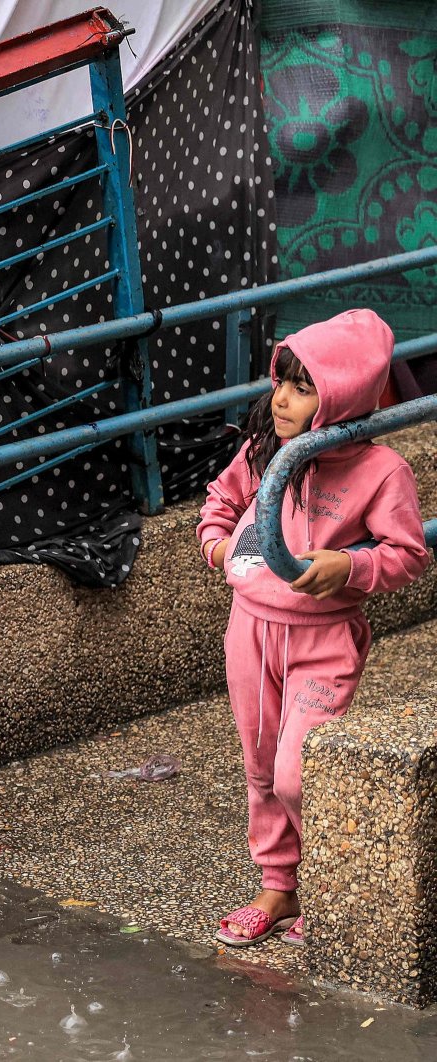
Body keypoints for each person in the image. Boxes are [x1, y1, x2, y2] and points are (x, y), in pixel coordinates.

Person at [198, 309, 429, 947]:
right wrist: (218, 546)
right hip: (250, 630)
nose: (281, 398)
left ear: (344, 397)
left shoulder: (382, 472)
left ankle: (330, 883)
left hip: (323, 640)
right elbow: (221, 502)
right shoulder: (264, 451)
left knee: (300, 770)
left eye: (304, 389)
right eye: (282, 381)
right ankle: (278, 886)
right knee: (262, 767)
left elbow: (407, 554)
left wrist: (349, 565)